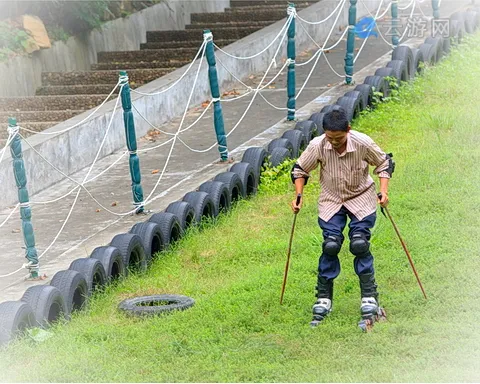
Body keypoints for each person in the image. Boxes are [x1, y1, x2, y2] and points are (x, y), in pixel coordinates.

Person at [290, 108, 394, 322]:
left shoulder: (362, 143)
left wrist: (384, 191)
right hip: (332, 200)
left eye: (338, 138)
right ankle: (323, 298)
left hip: (361, 197)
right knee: (331, 245)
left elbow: (384, 162)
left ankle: (369, 296)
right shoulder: (318, 145)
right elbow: (300, 169)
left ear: (348, 129)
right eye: (330, 138)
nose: (334, 143)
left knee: (359, 244)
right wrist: (298, 195)